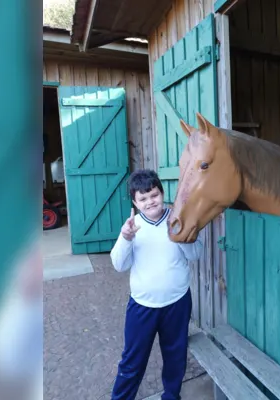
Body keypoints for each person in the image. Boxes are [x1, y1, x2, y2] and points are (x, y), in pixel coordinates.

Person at [109, 169, 203, 400]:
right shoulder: (132, 227)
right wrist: (126, 238)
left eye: (154, 195)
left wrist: (179, 234)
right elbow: (119, 265)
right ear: (135, 201)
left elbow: (195, 253)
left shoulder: (178, 218)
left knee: (175, 356)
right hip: (142, 305)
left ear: (162, 193)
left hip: (177, 303)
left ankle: (171, 396)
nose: (150, 202)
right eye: (143, 198)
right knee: (132, 361)